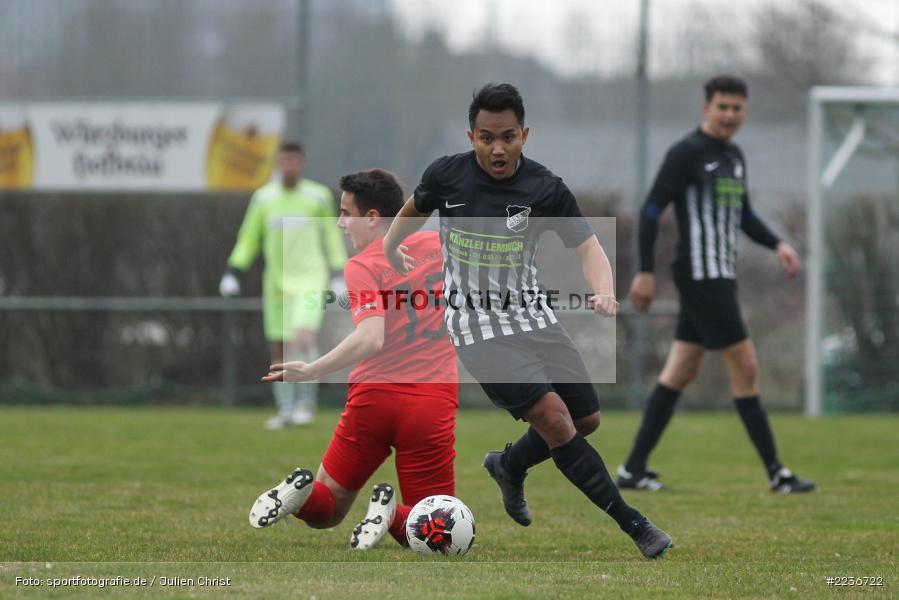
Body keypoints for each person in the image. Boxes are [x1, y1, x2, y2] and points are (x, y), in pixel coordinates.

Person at [382, 82, 672, 559]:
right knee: (556, 419)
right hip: (476, 328)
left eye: (508, 137)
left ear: (525, 135)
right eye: (487, 138)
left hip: (533, 317)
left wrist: (603, 289)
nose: (498, 149)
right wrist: (392, 246)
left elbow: (589, 247)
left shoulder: (544, 187)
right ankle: (636, 526)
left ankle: (509, 465)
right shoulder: (447, 175)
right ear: (471, 137)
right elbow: (416, 205)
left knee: (586, 418)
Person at [617, 75, 815, 495]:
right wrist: (645, 271)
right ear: (706, 108)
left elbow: (744, 215)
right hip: (701, 275)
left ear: (744, 111)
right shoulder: (686, 153)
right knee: (746, 367)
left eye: (736, 108)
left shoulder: (734, 156)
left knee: (681, 370)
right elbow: (651, 211)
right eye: (722, 106)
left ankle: (632, 470)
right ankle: (777, 473)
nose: (729, 114)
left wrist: (777, 243)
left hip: (720, 274)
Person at [249, 169, 459, 550]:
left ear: (373, 217)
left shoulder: (363, 265)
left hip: (372, 399)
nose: (340, 223)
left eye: (346, 213)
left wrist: (311, 369)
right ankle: (390, 514)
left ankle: (298, 494)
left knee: (326, 510)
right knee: (435, 528)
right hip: (429, 403)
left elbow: (370, 337)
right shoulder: (438, 244)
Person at [219, 141, 347, 429]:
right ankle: (285, 408)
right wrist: (233, 271)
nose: (289, 166)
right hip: (276, 285)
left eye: (294, 161)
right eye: (284, 161)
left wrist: (339, 272)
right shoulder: (263, 199)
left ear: (301, 164)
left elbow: (331, 235)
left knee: (302, 338)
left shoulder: (317, 196)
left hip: (310, 281)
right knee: (279, 348)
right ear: (277, 164)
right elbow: (248, 238)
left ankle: (305, 403)